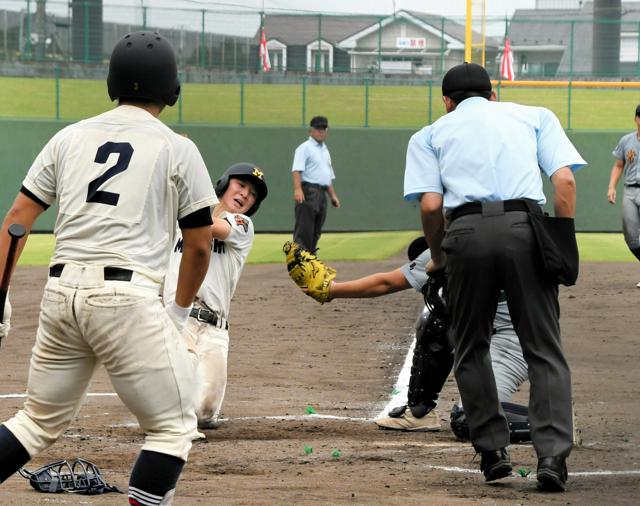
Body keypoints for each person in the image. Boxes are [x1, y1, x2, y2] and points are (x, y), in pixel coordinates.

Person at [0, 31, 218, 505]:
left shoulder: (68, 137)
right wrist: (179, 313)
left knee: (35, 421)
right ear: (171, 90)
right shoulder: (178, 147)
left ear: (112, 83)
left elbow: (18, 219)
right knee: (172, 428)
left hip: (60, 297)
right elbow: (200, 246)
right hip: (126, 301)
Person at [403, 62, 586, 492]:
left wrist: (438, 256)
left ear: (447, 103)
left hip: (465, 233)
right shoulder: (534, 115)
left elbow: (431, 207)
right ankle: (552, 458)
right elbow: (563, 181)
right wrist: (560, 240)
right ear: (493, 95)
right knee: (543, 347)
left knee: (470, 345)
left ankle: (491, 451)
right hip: (526, 226)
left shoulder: (430, 134)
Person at [324, 237, 530, 440]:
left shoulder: (452, 246)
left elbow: (386, 283)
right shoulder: (499, 237)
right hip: (496, 337)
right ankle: (419, 413)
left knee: (470, 420)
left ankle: (553, 421)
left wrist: (329, 289)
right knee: (437, 323)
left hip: (510, 345)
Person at [164, 162, 268, 430]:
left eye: (252, 193)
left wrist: (187, 186)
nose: (245, 194)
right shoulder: (177, 219)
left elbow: (209, 226)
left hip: (215, 330)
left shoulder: (243, 225)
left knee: (204, 412)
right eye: (241, 185)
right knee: (177, 402)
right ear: (224, 184)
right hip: (178, 319)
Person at [291, 115, 340, 252]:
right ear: (310, 131)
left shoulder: (325, 150)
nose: (321, 131)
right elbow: (296, 170)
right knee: (304, 230)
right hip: (308, 192)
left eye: (323, 129)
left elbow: (328, 176)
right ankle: (299, 265)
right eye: (318, 129)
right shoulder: (304, 148)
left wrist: (332, 196)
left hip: (322, 193)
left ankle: (310, 264)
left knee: (316, 231)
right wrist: (298, 189)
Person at [608, 104, 640, 287]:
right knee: (631, 237)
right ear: (636, 119)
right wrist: (612, 186)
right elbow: (619, 165)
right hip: (630, 191)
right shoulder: (627, 140)